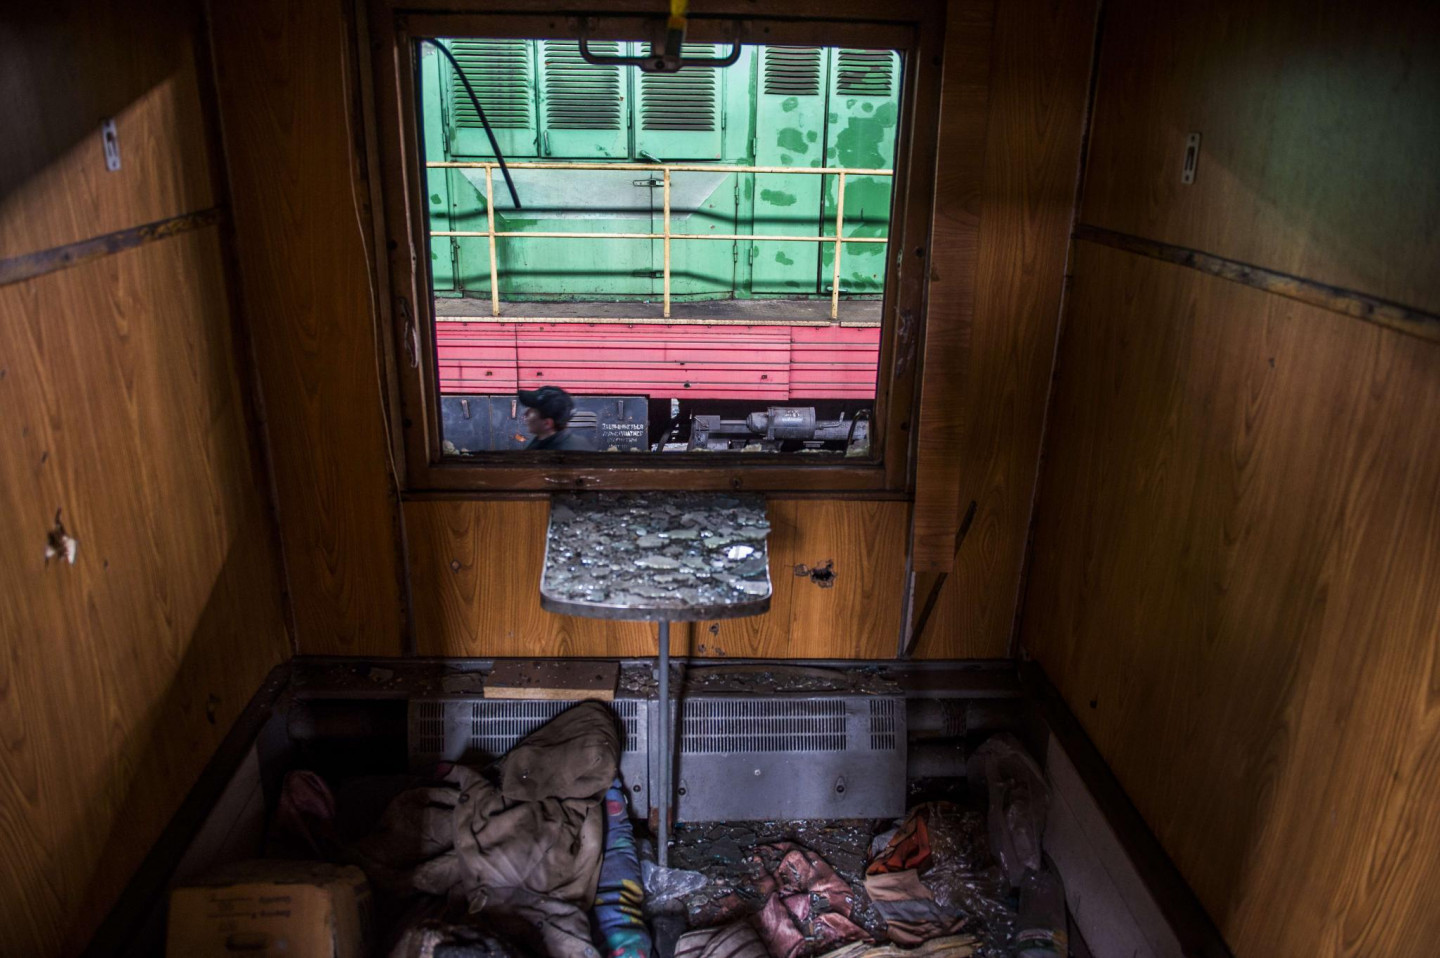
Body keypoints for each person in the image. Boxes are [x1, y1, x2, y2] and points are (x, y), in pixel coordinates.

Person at [518, 386, 594, 451]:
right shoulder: (543, 441)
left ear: (547, 423)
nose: (525, 413)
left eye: (532, 410)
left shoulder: (554, 456)